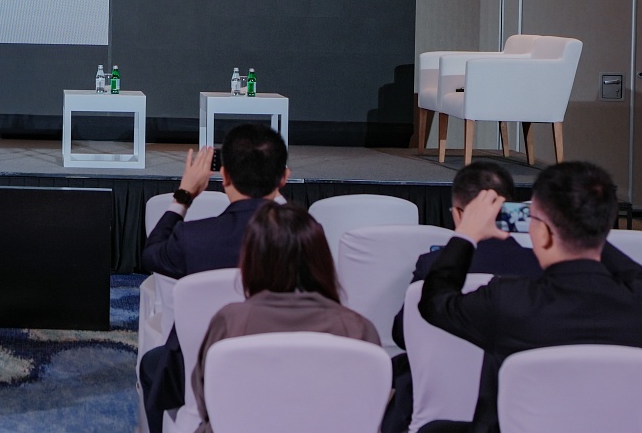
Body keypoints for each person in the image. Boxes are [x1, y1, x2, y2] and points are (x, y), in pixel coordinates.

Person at [418, 161, 642, 433]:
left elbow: (435, 302)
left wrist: (466, 233)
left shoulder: (509, 300)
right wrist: (588, 228)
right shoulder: (636, 298)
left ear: (544, 233)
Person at [138, 123, 290, 433]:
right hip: (285, 367)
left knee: (152, 366)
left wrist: (184, 196)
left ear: (224, 177)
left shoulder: (194, 238)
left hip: (201, 371)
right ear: (284, 178)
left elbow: (151, 254)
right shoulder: (305, 238)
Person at [190, 202, 380, 433]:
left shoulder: (230, 321)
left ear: (252, 261)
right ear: (321, 259)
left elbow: (207, 404)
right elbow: (370, 411)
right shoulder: (358, 328)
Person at [383, 161, 541, 432]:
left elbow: (402, 334)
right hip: (521, 410)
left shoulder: (433, 265)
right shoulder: (540, 267)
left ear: (458, 214)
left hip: (434, 412)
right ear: (510, 210)